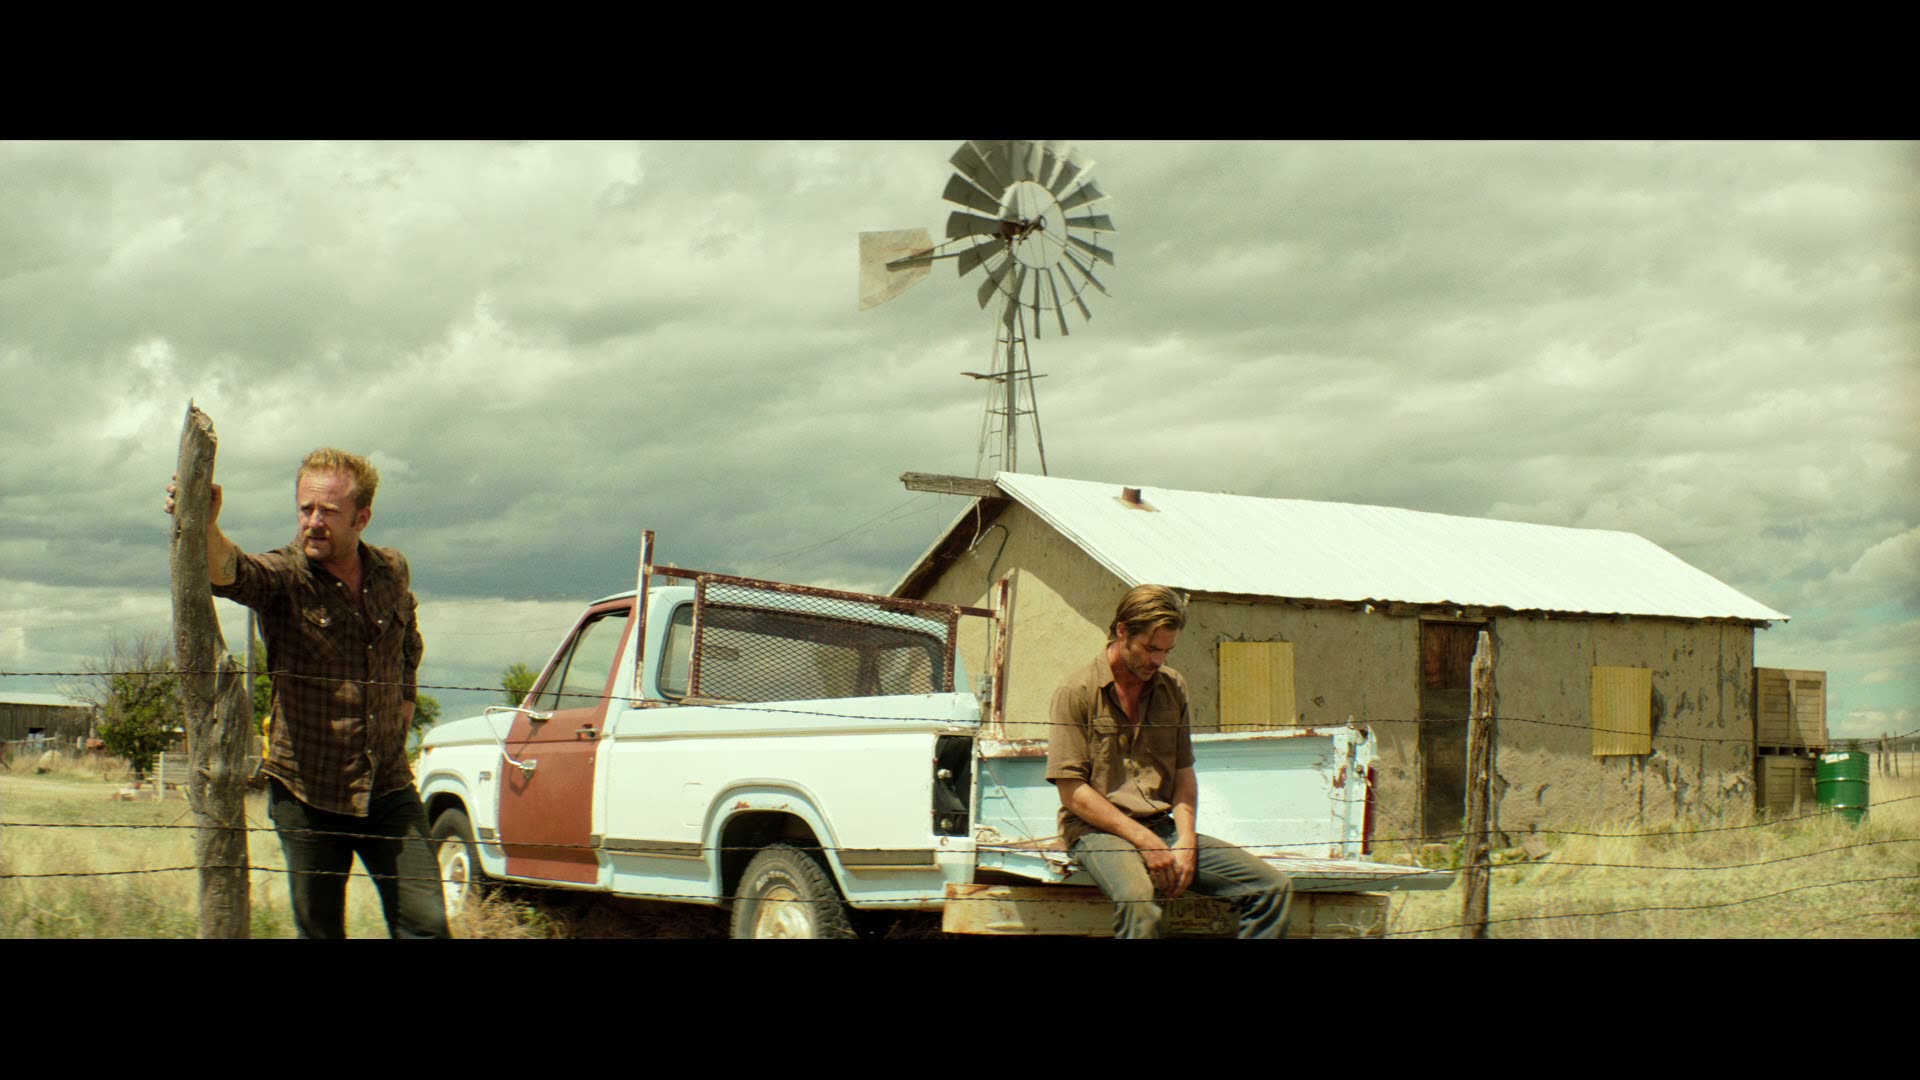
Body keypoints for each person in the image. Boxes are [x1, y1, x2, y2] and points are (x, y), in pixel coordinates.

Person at [166, 448, 449, 939]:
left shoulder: (391, 570)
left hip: (387, 786)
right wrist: (205, 524)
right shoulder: (285, 576)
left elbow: (409, 634)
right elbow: (230, 571)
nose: (313, 522)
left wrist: (406, 692)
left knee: (427, 925)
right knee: (320, 933)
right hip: (308, 792)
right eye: (305, 509)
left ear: (362, 517)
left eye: (328, 511)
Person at [1045, 584, 1294, 938]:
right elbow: (1072, 792)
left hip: (1163, 827)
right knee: (1139, 901)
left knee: (1273, 889)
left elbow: (1183, 774)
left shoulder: (1172, 686)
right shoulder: (1076, 692)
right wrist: (1145, 842)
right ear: (1122, 632)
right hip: (1097, 831)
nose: (1159, 660)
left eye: (1167, 651)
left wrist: (1186, 842)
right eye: (1151, 648)